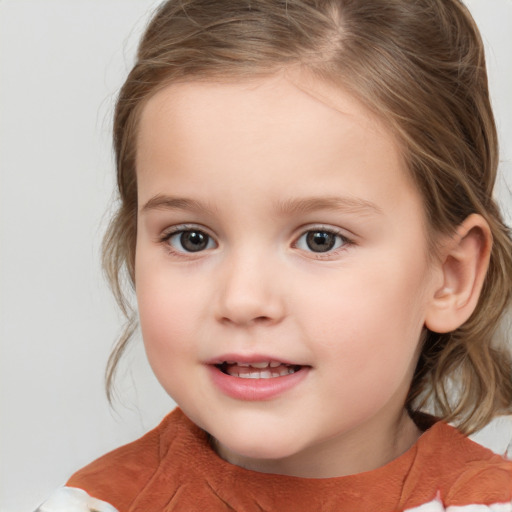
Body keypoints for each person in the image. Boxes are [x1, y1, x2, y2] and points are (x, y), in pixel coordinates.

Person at [36, 0, 512, 510]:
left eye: (320, 240)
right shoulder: (97, 504)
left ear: (450, 276)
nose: (242, 299)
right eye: (192, 238)